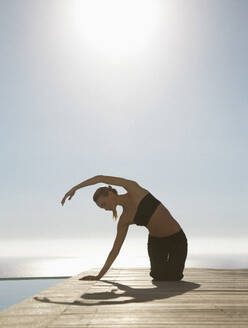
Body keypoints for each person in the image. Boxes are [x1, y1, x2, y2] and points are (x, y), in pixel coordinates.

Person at [61, 175, 188, 281]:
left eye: (104, 204)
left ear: (110, 193)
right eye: (101, 207)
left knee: (174, 277)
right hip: (156, 244)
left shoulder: (134, 189)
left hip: (176, 239)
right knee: (158, 277)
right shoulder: (124, 219)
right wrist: (99, 276)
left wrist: (75, 188)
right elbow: (115, 250)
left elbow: (100, 178)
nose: (105, 209)